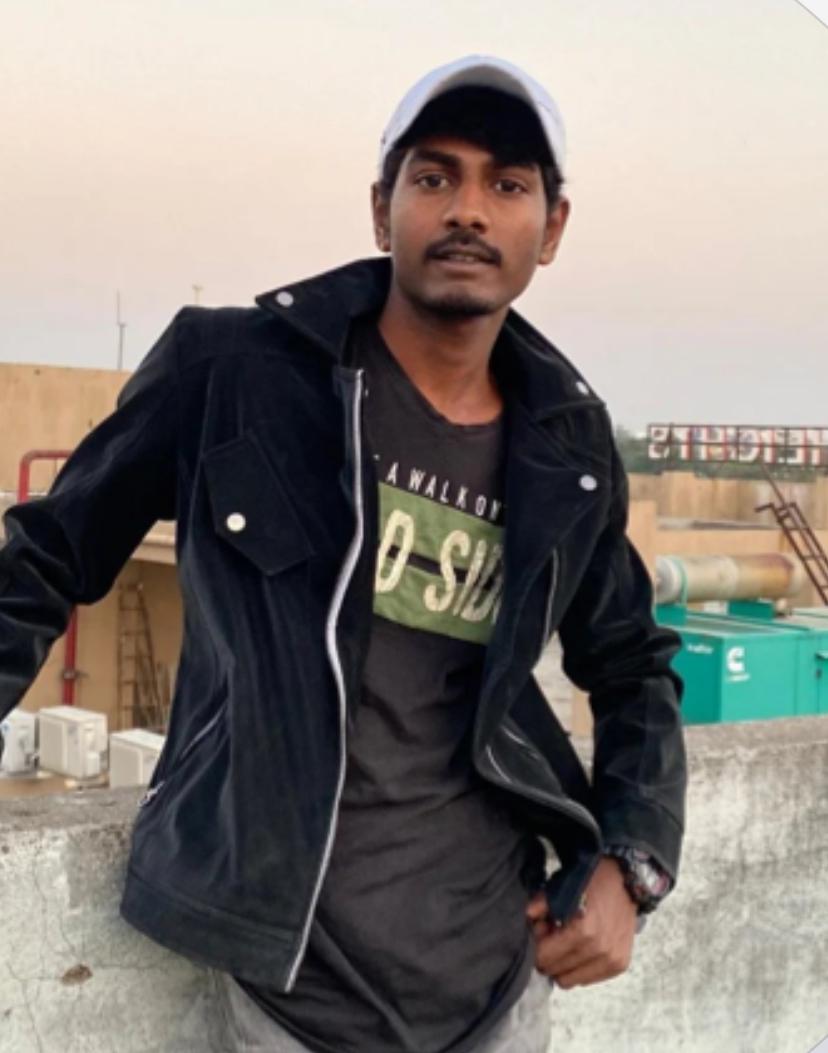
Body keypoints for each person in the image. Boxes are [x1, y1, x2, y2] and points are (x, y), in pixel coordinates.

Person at [0, 55, 687, 1053]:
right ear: (381, 209)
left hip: (500, 984)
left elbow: (632, 665)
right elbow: (47, 557)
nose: (469, 210)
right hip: (288, 994)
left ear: (552, 229)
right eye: (434, 175)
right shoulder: (233, 372)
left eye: (507, 185)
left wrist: (634, 859)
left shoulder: (568, 446)